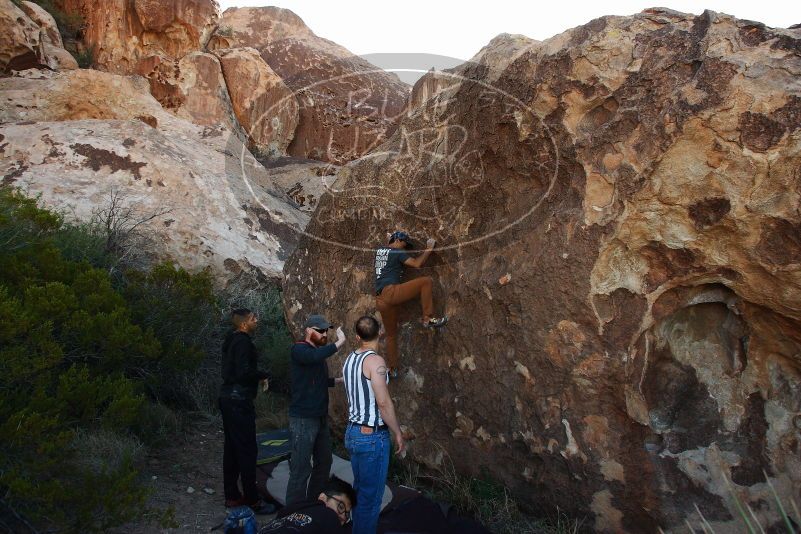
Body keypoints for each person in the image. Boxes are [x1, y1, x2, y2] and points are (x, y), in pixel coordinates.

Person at [342, 315, 406, 534]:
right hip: (371, 437)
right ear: (380, 332)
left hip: (352, 432)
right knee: (371, 500)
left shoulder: (350, 359)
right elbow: (383, 402)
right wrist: (397, 432)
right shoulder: (376, 362)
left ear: (357, 336)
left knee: (361, 491)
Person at [285, 314, 347, 505]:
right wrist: (340, 342)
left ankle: (312, 505)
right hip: (303, 419)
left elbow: (313, 378)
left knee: (324, 463)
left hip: (320, 418)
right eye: (320, 331)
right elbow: (313, 357)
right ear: (308, 331)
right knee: (301, 468)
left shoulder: (314, 354)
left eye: (326, 331)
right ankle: (293, 514)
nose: (324, 334)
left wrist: (338, 381)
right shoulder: (299, 349)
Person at [219, 308, 275, 513]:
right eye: (253, 318)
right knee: (247, 450)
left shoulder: (231, 338)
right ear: (243, 324)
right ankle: (252, 500)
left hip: (227, 398)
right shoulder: (243, 341)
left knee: (232, 448)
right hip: (238, 400)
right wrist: (263, 375)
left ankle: (232, 495)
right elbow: (243, 372)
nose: (257, 321)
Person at [374, 231, 448, 376]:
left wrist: (390, 239)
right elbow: (417, 264)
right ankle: (428, 318)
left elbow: (389, 244)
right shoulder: (397, 252)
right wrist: (428, 248)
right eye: (405, 244)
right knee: (425, 281)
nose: (405, 248)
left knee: (391, 335)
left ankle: (393, 369)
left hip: (380, 300)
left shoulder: (379, 251)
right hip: (391, 293)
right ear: (398, 240)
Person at [259, 476, 356, 533]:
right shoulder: (328, 515)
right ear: (323, 497)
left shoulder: (294, 507)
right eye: (341, 507)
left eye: (347, 514)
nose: (343, 516)